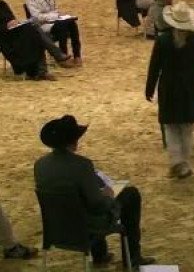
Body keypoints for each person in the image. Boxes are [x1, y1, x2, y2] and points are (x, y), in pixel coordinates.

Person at [34, 115, 156, 269]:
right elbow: (97, 205)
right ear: (74, 141)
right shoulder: (82, 165)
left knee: (84, 201)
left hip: (56, 225)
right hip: (84, 226)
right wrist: (108, 196)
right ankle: (133, 257)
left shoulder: (40, 165)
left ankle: (100, 255)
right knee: (130, 195)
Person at [145, 2, 194, 179]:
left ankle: (177, 162)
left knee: (171, 126)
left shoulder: (163, 40)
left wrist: (149, 88)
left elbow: (154, 66)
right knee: (187, 126)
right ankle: (184, 162)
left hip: (170, 87)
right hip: (191, 86)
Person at [1, 0, 74, 80]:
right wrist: (6, 26)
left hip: (14, 33)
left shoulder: (3, 4)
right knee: (34, 31)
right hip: (4, 38)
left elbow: (12, 19)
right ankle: (53, 58)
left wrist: (14, 22)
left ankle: (41, 71)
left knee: (33, 30)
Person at [25, 0, 83, 66]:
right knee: (62, 26)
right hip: (43, 25)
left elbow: (54, 8)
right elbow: (36, 16)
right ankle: (62, 57)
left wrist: (59, 15)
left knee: (72, 23)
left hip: (55, 21)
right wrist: (54, 16)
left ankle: (77, 55)